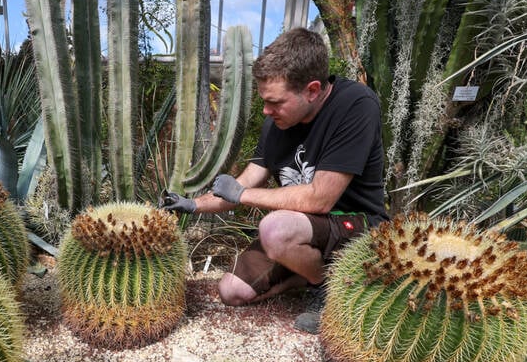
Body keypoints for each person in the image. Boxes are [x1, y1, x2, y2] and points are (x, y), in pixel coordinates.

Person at [160, 27, 388, 327]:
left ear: (312, 90)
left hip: (354, 225)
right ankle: (303, 273)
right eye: (265, 101)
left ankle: (326, 289)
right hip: (298, 231)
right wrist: (193, 204)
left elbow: (321, 198)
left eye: (276, 102)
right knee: (231, 290)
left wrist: (242, 196)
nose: (267, 111)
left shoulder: (355, 105)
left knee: (275, 229)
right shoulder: (277, 123)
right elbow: (242, 184)